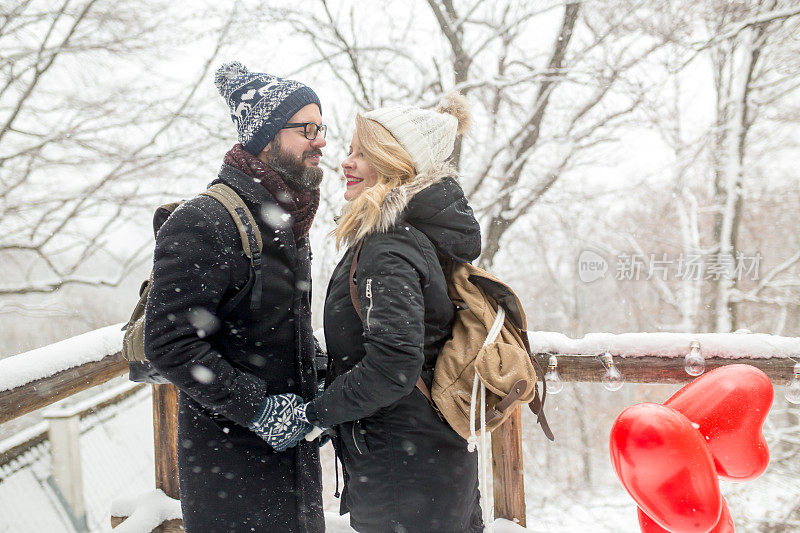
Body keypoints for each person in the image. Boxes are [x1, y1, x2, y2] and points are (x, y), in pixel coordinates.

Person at [144, 62, 325, 533]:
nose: (320, 140)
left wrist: (318, 377)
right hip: (232, 477)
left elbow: (276, 327)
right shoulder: (206, 221)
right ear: (266, 138)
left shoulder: (287, 224)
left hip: (293, 467)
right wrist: (259, 409)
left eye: (321, 127)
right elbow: (169, 344)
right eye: (306, 128)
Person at [306, 94, 484, 532]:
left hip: (403, 474)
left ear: (394, 162)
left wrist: (317, 413)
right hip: (429, 461)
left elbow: (394, 366)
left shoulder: (388, 248)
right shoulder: (408, 239)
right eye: (350, 150)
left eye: (362, 153)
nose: (346, 163)